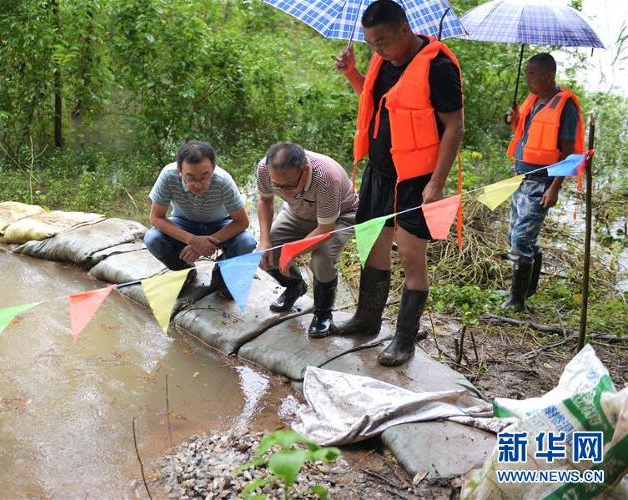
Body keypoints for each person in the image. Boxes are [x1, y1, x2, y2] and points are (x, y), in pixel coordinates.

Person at [334, 0, 464, 365]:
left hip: (416, 179)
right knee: (372, 245)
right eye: (371, 43)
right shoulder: (380, 61)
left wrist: (436, 185)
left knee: (411, 257)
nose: (378, 49)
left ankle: (404, 338)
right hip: (379, 172)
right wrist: (352, 73)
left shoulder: (437, 67)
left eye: (383, 42)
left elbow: (455, 127)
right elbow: (378, 104)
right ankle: (367, 319)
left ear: (405, 30)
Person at [503, 53, 584, 312]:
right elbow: (527, 137)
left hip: (541, 183)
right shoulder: (534, 100)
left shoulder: (565, 106)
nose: (528, 79)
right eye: (526, 73)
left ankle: (517, 300)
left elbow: (569, 154)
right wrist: (514, 120)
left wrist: (555, 187)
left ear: (549, 75)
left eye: (533, 74)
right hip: (521, 178)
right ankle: (527, 289)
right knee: (516, 234)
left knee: (521, 239)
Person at [256, 142, 358, 338]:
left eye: (289, 185)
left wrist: (291, 252)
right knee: (265, 254)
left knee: (321, 260)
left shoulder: (326, 177)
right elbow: (265, 201)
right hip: (298, 213)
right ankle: (295, 287)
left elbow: (324, 228)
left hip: (340, 217)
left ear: (305, 170)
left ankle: (322, 313)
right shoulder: (263, 168)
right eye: (277, 185)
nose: (283, 192)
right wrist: (264, 241)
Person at [145, 140, 257, 298]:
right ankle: (184, 270)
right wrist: (192, 240)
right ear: (179, 171)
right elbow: (156, 218)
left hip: (219, 224)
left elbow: (242, 222)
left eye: (205, 177)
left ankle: (222, 272)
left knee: (247, 242)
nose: (198, 185)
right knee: (152, 238)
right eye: (190, 178)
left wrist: (207, 242)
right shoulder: (168, 176)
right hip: (183, 222)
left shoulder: (223, 180)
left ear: (213, 169)